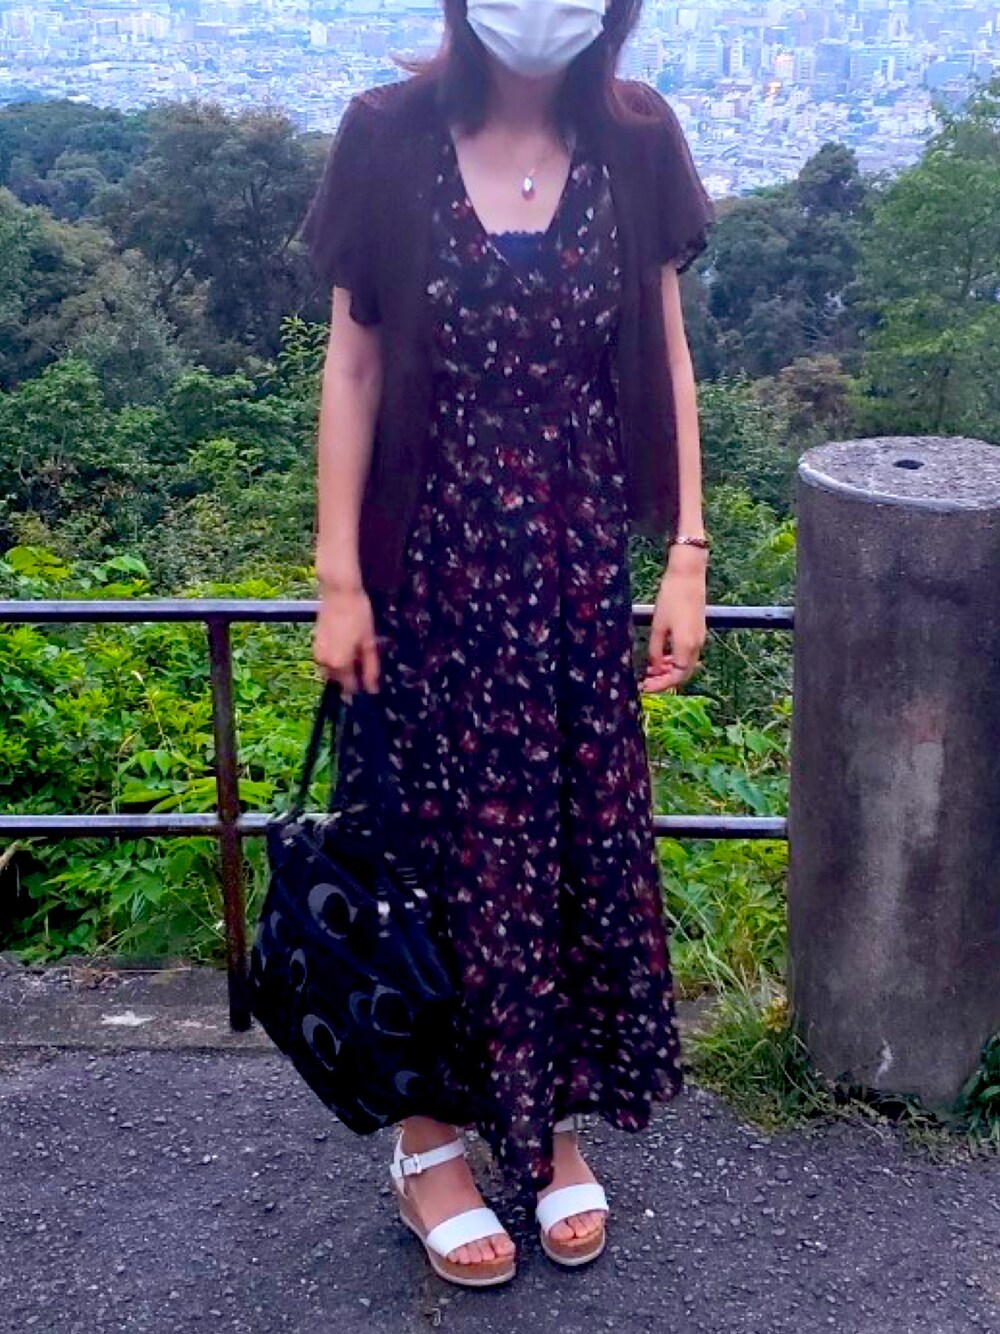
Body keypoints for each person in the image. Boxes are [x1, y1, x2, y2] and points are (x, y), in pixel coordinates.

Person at [303, 0, 716, 1290]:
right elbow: (354, 365)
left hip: (574, 563)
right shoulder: (386, 136)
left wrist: (688, 552)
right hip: (424, 562)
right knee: (425, 839)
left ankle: (549, 1123)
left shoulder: (637, 140)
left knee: (564, 836)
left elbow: (664, 350)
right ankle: (430, 1140)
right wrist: (337, 579)